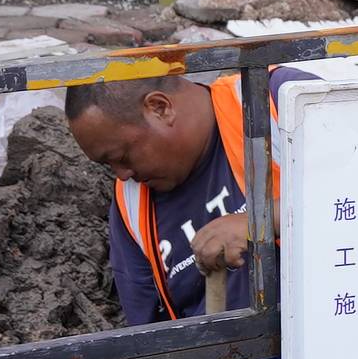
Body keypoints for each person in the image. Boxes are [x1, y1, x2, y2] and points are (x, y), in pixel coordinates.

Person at [64, 67, 253, 324]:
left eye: (122, 156)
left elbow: (318, 199)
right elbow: (148, 333)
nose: (122, 175)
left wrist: (263, 222)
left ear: (160, 108)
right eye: (108, 166)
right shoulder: (132, 206)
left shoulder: (273, 105)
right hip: (220, 349)